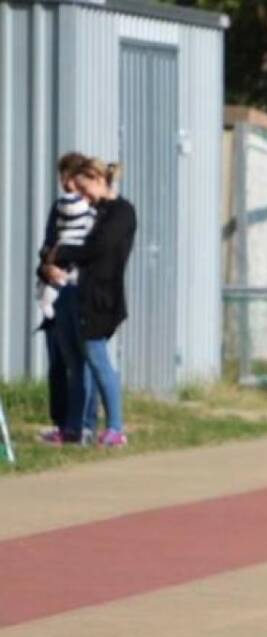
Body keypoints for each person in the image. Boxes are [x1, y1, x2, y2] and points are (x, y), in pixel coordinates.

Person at [43, 158, 136, 449]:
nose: (84, 197)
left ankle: (115, 427)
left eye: (85, 190)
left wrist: (62, 251)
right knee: (75, 362)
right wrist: (51, 259)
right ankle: (74, 427)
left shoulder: (120, 213)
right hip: (76, 293)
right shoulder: (94, 211)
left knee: (98, 361)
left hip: (100, 298)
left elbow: (96, 249)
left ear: (99, 180)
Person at [34, 152, 93, 444]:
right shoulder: (57, 209)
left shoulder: (94, 211)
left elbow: (92, 252)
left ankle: (85, 422)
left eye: (65, 176)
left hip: (79, 291)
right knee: (57, 361)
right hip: (54, 289)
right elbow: (47, 245)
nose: (64, 183)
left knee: (83, 361)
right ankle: (60, 423)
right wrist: (47, 266)